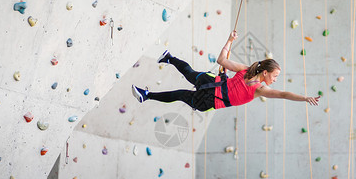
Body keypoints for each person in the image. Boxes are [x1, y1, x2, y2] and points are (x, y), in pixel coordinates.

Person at [132, 31, 320, 111]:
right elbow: (222, 60)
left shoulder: (259, 90)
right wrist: (229, 40)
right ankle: (169, 58)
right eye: (275, 76)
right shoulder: (246, 71)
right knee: (188, 72)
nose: (276, 80)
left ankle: (146, 95)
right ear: (265, 73)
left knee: (179, 94)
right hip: (212, 82)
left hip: (211, 100)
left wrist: (304, 98)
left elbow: (284, 94)